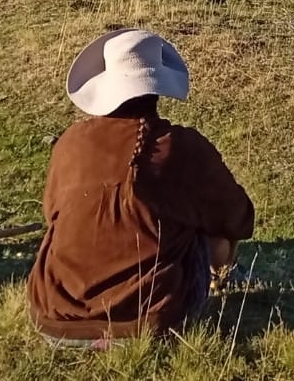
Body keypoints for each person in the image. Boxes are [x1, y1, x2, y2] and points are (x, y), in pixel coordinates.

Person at [28, 28, 254, 345]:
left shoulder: (70, 143)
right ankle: (222, 283)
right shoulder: (182, 147)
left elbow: (51, 213)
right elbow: (238, 216)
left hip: (54, 318)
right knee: (213, 221)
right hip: (148, 320)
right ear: (157, 87)